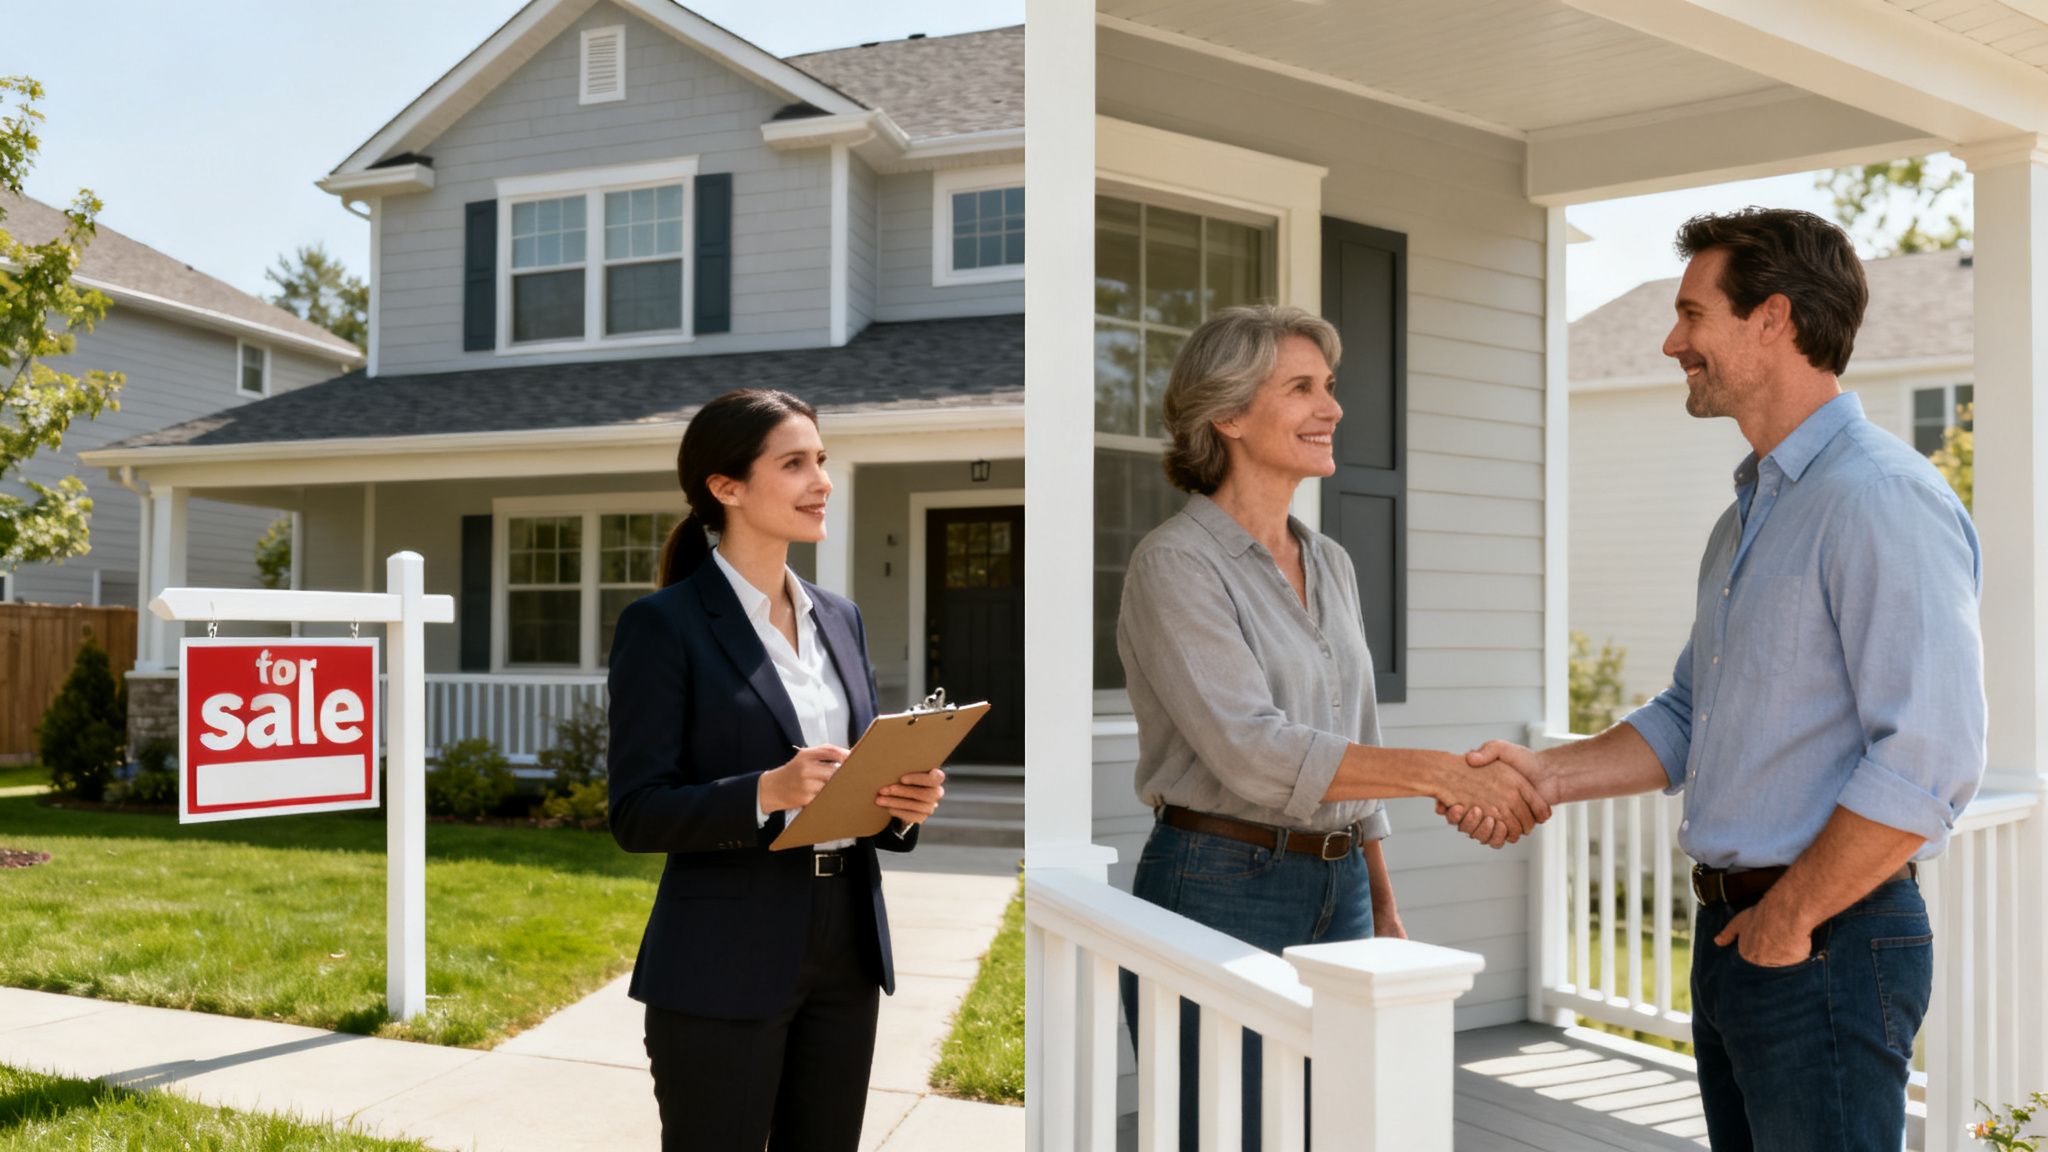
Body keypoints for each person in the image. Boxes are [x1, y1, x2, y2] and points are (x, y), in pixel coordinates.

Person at [1454, 208, 1986, 1151]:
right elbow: (1692, 716)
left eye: (1692, 314)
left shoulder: (1879, 498)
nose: (1672, 341)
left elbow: (1930, 757)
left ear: (1772, 319)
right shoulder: (1748, 517)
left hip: (1823, 942)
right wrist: (1545, 774)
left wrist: (1789, 917)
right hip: (1743, 938)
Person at [1116, 304, 1551, 1150]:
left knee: (1334, 1126)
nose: (1334, 407)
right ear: (1230, 415)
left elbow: (1357, 729)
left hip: (1340, 883)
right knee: (1230, 1131)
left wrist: (1381, 898)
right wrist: (1439, 774)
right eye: (1303, 387)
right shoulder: (1175, 565)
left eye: (1331, 386)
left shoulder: (1330, 561)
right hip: (1217, 883)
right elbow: (1252, 751)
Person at [607, 388, 947, 1152]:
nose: (821, 481)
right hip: (722, 956)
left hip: (847, 952)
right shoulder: (662, 627)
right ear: (726, 487)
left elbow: (854, 777)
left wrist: (901, 802)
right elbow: (636, 812)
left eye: (821, 461)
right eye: (794, 464)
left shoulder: (842, 616)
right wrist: (766, 792)